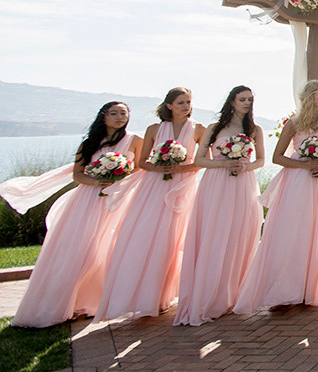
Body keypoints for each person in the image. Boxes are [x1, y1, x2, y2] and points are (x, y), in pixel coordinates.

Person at [11, 102, 143, 327]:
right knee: (80, 248)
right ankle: (67, 303)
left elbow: (140, 167)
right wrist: (97, 181)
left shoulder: (135, 140)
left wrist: (120, 176)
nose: (120, 117)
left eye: (124, 113)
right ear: (103, 117)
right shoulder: (89, 143)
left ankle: (97, 301)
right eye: (114, 113)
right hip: (88, 200)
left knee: (108, 249)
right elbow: (78, 175)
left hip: (119, 199)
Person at [94, 87, 205, 321]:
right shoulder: (154, 129)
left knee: (175, 238)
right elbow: (143, 162)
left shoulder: (198, 129)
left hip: (183, 187)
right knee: (148, 235)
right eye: (181, 102)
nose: (186, 106)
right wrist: (160, 167)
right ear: (169, 106)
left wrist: (180, 168)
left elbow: (204, 161)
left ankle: (167, 294)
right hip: (154, 187)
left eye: (188, 102)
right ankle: (145, 296)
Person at [234, 80, 318, 313]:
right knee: (291, 232)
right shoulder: (293, 123)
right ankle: (282, 292)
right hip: (297, 182)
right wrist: (304, 165)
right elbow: (277, 157)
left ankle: (310, 290)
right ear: (309, 97)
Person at [175, 86, 266, 326]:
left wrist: (245, 166)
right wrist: (225, 164)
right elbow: (200, 159)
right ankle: (208, 296)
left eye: (250, 99)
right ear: (232, 101)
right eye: (242, 99)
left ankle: (232, 295)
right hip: (216, 185)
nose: (247, 103)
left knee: (239, 235)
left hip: (244, 184)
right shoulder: (215, 128)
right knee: (215, 235)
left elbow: (261, 160)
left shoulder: (255, 129)